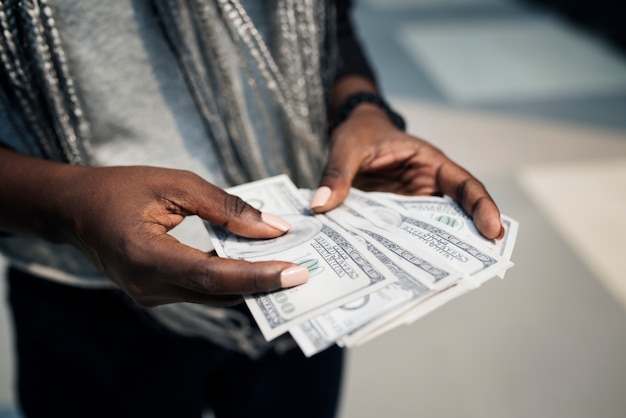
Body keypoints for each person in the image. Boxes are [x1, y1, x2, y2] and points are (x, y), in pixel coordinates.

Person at [0, 1, 504, 417]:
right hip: (86, 298)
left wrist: (362, 108)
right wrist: (65, 208)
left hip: (303, 279)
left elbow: (330, 22)